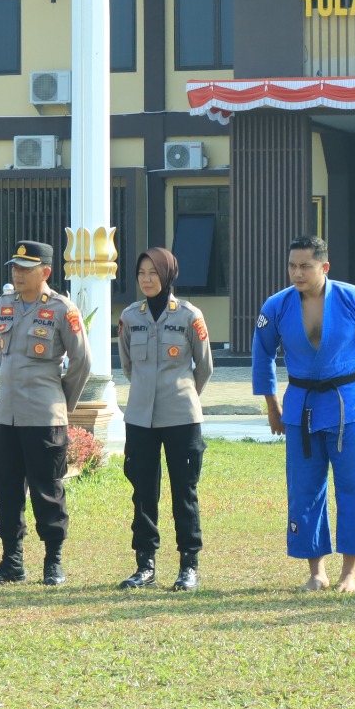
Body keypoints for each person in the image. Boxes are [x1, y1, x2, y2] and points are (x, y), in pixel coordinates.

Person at [253, 235, 355, 593]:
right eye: (292, 266)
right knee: (304, 489)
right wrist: (272, 405)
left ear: (324, 267)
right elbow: (262, 354)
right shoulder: (277, 306)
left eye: (305, 266)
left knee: (353, 486)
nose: (297, 273)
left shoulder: (354, 298)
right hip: (301, 404)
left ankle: (349, 573)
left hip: (348, 403)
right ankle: (317, 572)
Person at [0, 240, 91, 587]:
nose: (18, 273)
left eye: (26, 268)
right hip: (6, 415)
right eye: (15, 267)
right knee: (7, 489)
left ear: (46, 272)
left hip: (44, 417)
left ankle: (53, 562)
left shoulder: (62, 309)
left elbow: (82, 361)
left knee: (47, 490)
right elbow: (0, 345)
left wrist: (61, 402)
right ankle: (11, 562)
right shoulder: (5, 304)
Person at [116, 248, 214, 592]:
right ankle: (145, 565)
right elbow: (128, 365)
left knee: (184, 491)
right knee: (143, 493)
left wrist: (182, 395)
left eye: (153, 272)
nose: (146, 279)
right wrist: (147, 391)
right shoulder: (130, 316)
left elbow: (204, 366)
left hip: (181, 417)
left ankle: (189, 565)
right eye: (141, 273)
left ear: (168, 275)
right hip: (140, 418)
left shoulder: (189, 315)